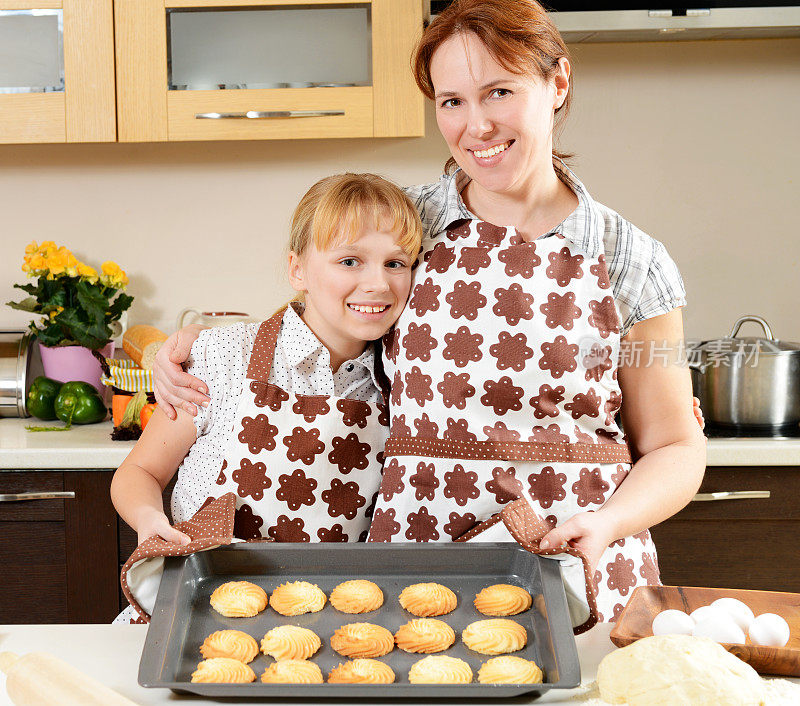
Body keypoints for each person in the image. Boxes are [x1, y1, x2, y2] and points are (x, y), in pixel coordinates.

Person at [152, 0, 706, 622]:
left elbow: (676, 447)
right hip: (417, 560)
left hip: (580, 561)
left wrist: (608, 523)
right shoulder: (410, 226)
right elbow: (321, 311)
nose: (477, 126)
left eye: (499, 92)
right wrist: (185, 347)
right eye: (452, 102)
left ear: (557, 83)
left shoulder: (632, 260)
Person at [112, 172, 422, 555]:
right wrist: (149, 519)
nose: (378, 283)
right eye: (350, 260)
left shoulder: (402, 380)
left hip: (328, 603)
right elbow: (140, 471)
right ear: (297, 270)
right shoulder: (223, 354)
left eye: (396, 263)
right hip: (208, 594)